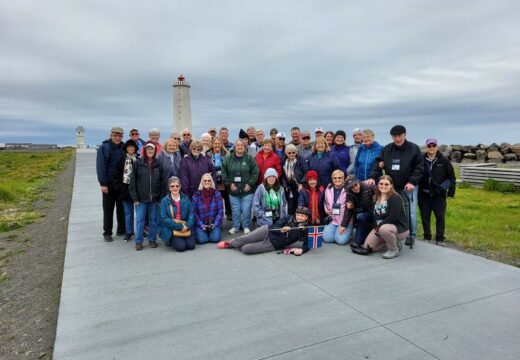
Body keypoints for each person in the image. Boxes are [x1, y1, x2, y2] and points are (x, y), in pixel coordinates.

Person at [367, 125, 423, 244]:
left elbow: (419, 168)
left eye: (399, 136)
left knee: (410, 211)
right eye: (394, 137)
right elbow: (378, 164)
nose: (397, 139)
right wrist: (372, 177)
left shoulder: (414, 148)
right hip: (391, 187)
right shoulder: (387, 149)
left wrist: (412, 182)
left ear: (405, 134)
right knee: (391, 211)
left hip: (408, 186)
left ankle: (410, 235)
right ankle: (390, 234)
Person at [353, 175, 409, 259]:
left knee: (384, 229)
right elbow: (375, 215)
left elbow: (392, 218)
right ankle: (390, 241)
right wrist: (376, 227)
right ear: (378, 184)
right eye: (381, 183)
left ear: (391, 185)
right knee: (369, 246)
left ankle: (393, 249)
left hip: (399, 229)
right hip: (381, 227)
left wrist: (379, 227)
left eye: (386, 184)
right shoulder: (376, 197)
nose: (383, 186)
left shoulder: (396, 198)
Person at [217, 207, 312, 256]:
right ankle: (230, 244)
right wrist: (282, 229)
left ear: (306, 218)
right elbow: (274, 226)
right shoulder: (288, 218)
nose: (299, 217)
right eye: (298, 215)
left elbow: (308, 244)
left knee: (246, 249)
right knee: (247, 237)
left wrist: (301, 250)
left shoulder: (305, 228)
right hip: (267, 231)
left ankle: (239, 242)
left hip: (273, 244)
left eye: (302, 216)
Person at [418, 138, 456, 246]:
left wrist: (451, 193)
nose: (431, 148)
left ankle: (440, 238)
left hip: (439, 195)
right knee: (425, 217)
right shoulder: (420, 160)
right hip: (424, 194)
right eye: (429, 146)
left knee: (440, 217)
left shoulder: (444, 161)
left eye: (433, 145)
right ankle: (427, 236)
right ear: (426, 147)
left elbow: (452, 177)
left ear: (437, 147)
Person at [129, 142, 163, 251]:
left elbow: (161, 182)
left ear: (155, 151)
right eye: (148, 149)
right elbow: (132, 182)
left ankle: (152, 240)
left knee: (153, 220)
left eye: (152, 149)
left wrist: (159, 198)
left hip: (154, 199)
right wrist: (135, 198)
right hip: (141, 199)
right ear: (144, 150)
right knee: (140, 220)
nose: (150, 151)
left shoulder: (158, 164)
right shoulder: (137, 163)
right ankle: (138, 241)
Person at [221, 138, 259, 235]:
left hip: (247, 190)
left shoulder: (249, 158)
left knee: (246, 209)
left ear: (245, 147)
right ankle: (236, 227)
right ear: (234, 147)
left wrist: (250, 184)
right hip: (233, 190)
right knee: (235, 210)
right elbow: (224, 172)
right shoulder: (228, 158)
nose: (240, 147)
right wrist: (229, 184)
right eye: (238, 145)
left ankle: (246, 226)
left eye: (242, 145)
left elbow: (255, 172)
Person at [96, 126, 126, 242]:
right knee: (108, 209)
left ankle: (121, 229)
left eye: (119, 136)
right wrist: (103, 184)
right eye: (115, 135)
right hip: (108, 184)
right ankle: (107, 233)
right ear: (111, 135)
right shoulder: (104, 148)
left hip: (121, 184)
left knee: (121, 208)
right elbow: (100, 167)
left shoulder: (124, 147)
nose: (117, 138)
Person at [159, 177, 195, 252]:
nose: (175, 188)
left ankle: (182, 238)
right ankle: (170, 240)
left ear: (180, 187)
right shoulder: (164, 201)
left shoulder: (186, 198)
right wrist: (179, 227)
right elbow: (164, 218)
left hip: (185, 226)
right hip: (172, 228)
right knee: (181, 247)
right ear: (169, 188)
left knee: (191, 245)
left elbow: (191, 214)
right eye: (172, 186)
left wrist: (187, 226)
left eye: (177, 186)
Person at [112, 139, 138, 241]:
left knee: (140, 213)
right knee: (128, 212)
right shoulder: (121, 159)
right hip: (125, 190)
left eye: (132, 147)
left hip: (138, 190)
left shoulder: (139, 159)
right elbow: (116, 175)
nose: (131, 148)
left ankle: (141, 230)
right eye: (129, 147)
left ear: (135, 148)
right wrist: (120, 187)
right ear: (126, 148)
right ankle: (129, 232)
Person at [342, 175, 375, 247]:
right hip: (361, 215)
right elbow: (348, 210)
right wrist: (344, 225)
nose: (355, 188)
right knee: (358, 241)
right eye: (352, 187)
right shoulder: (349, 194)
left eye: (356, 185)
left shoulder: (370, 187)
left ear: (358, 182)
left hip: (375, 213)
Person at [191, 173, 224, 244]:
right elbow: (194, 212)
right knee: (202, 240)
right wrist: (201, 225)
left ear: (211, 182)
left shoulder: (217, 194)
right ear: (202, 182)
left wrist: (215, 224)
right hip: (201, 223)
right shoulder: (196, 195)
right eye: (205, 180)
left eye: (209, 181)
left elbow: (220, 211)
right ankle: (203, 233)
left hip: (213, 223)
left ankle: (212, 232)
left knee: (216, 239)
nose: (207, 182)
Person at [323, 169, 352, 245]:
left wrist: (344, 225)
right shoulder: (329, 188)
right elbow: (325, 202)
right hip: (332, 218)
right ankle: (335, 231)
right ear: (332, 179)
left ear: (344, 179)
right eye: (335, 178)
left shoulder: (348, 189)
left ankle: (350, 232)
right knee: (327, 239)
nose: (337, 179)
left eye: (340, 178)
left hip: (345, 220)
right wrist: (327, 210)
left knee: (340, 241)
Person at [206, 136, 230, 219]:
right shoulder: (208, 154)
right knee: (216, 201)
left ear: (221, 144)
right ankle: (217, 218)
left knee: (227, 198)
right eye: (215, 143)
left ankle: (229, 214)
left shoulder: (226, 154)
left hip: (224, 179)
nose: (217, 145)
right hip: (213, 180)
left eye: (219, 144)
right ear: (212, 144)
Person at [281, 144, 307, 215]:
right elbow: (283, 176)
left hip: (299, 185)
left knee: (300, 205)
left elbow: (306, 172)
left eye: (293, 152)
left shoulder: (301, 160)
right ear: (286, 153)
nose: (291, 154)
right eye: (289, 153)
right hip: (289, 187)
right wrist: (285, 185)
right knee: (291, 206)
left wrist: (302, 183)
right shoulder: (283, 161)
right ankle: (292, 220)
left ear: (296, 152)